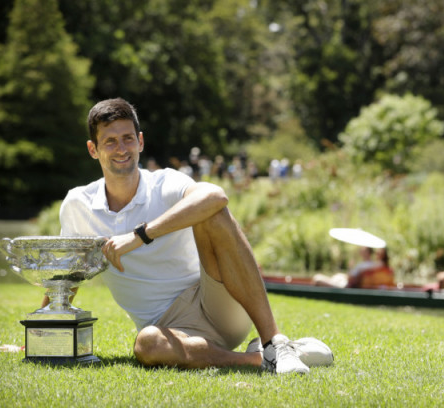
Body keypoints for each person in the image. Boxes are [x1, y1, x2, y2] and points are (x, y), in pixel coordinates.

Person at [49, 98, 332, 374]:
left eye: (128, 138)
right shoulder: (78, 204)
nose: (121, 148)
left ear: (141, 141)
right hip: (169, 330)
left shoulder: (165, 182)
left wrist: (139, 236)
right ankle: (259, 360)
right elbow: (69, 273)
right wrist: (46, 331)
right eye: (110, 141)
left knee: (212, 212)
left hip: (216, 301)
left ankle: (274, 343)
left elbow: (215, 195)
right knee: (147, 344)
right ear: (93, 149)